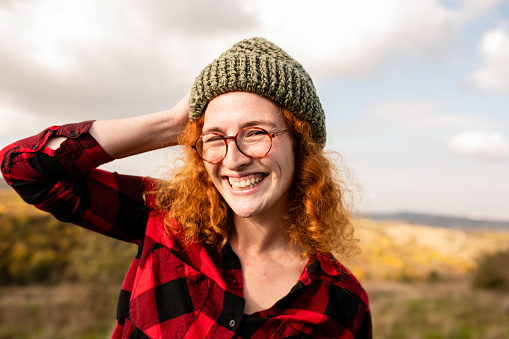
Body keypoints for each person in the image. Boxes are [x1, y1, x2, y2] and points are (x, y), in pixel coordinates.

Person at [0, 37, 371, 338]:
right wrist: (171, 122)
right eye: (214, 138)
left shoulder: (343, 303)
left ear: (302, 146)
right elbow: (24, 169)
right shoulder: (164, 218)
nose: (234, 158)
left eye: (255, 133)